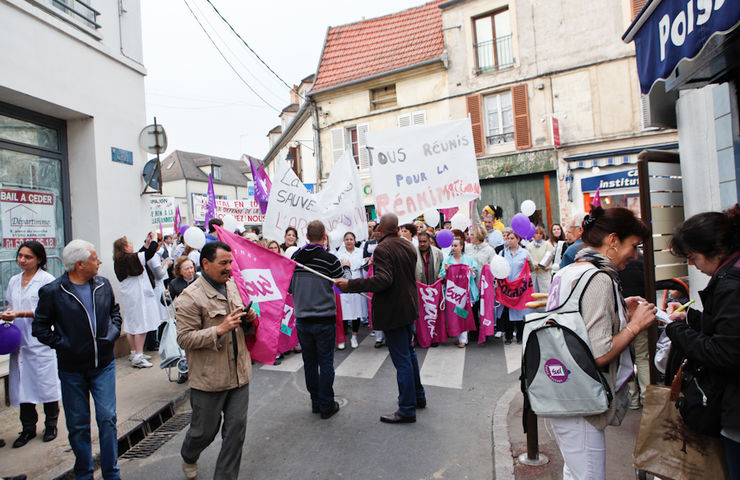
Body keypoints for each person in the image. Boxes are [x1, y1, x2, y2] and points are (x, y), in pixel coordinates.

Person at [547, 207, 656, 480]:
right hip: (582, 400)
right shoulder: (599, 279)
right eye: (634, 245)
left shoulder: (570, 270)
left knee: (574, 471)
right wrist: (634, 326)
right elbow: (599, 352)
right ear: (614, 240)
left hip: (561, 390)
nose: (635, 255)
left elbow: (578, 324)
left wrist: (620, 310)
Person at [33, 239, 122, 480]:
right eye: (95, 259)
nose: (100, 262)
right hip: (72, 370)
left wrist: (112, 335)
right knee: (78, 425)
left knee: (107, 419)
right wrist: (64, 345)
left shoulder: (103, 285)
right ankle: (84, 473)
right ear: (79, 264)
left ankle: (111, 472)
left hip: (104, 364)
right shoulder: (53, 291)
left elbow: (115, 313)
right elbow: (39, 327)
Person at [665, 206, 740, 479]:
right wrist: (692, 319)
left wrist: (677, 329)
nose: (692, 264)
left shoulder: (730, 283)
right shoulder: (732, 272)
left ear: (715, 250)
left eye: (693, 257)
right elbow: (727, 329)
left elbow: (725, 352)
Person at [175, 241, 257, 480]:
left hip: (240, 374)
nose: (229, 268)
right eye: (224, 263)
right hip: (210, 379)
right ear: (206, 264)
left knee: (235, 433)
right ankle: (189, 454)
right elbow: (184, 338)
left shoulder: (231, 286)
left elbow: (240, 322)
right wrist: (219, 330)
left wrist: (248, 318)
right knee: (204, 432)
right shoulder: (190, 298)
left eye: (231, 262)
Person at [336, 213, 426, 423]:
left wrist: (351, 285)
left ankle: (406, 409)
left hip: (394, 311)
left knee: (402, 359)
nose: (374, 231)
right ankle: (418, 397)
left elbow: (383, 280)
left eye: (377, 228)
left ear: (383, 230)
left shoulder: (383, 249)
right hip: (408, 307)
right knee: (409, 354)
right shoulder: (407, 245)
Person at [1, 241, 60, 448]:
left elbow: (49, 311)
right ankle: (27, 428)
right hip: (20, 342)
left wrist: (19, 313)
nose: (22, 260)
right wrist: (9, 315)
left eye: (27, 257)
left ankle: (51, 424)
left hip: (40, 341)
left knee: (46, 384)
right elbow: (11, 304)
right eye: (20, 256)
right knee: (22, 386)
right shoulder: (14, 281)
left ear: (39, 260)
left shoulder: (47, 281)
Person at [289, 221, 350, 419]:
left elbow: (289, 287)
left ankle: (316, 402)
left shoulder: (296, 257)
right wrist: (346, 269)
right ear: (325, 236)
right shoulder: (330, 259)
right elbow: (343, 285)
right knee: (325, 363)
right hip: (324, 319)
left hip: (302, 319)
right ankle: (326, 404)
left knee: (309, 363)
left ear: (306, 236)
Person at [113, 233, 160, 368]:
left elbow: (141, 254)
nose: (132, 245)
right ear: (124, 248)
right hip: (137, 295)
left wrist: (146, 243)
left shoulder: (121, 259)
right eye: (129, 243)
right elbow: (148, 254)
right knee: (141, 324)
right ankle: (138, 356)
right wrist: (154, 241)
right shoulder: (129, 259)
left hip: (130, 295)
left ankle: (134, 352)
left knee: (131, 324)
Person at [440, 238, 479, 347]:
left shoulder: (468, 259)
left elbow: (475, 272)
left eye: (455, 246)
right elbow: (442, 274)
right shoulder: (447, 260)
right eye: (452, 246)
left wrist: (471, 271)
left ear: (461, 247)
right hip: (453, 293)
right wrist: (446, 270)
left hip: (465, 293)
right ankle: (458, 336)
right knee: (454, 314)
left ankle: (463, 339)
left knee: (463, 313)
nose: (453, 248)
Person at [499, 228, 534, 344]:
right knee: (507, 310)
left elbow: (532, 269)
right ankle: (508, 336)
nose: (509, 240)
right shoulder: (503, 253)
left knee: (521, 310)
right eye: (508, 238)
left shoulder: (525, 253)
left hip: (520, 287)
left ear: (518, 240)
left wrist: (529, 262)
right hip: (507, 287)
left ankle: (520, 336)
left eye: (512, 238)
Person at [333, 232, 368, 349]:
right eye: (346, 239)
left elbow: (364, 266)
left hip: (357, 281)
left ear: (355, 240)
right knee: (343, 311)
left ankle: (354, 336)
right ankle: (341, 338)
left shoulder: (360, 252)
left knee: (356, 311)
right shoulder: (339, 253)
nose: (349, 241)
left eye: (351, 239)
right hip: (344, 282)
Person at [526, 225, 555, 294]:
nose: (538, 235)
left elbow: (551, 257)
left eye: (540, 234)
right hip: (534, 274)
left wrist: (549, 266)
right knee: (534, 294)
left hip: (544, 273)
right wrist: (533, 264)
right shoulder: (529, 246)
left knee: (545, 293)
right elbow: (528, 258)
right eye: (536, 233)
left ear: (543, 235)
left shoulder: (547, 245)